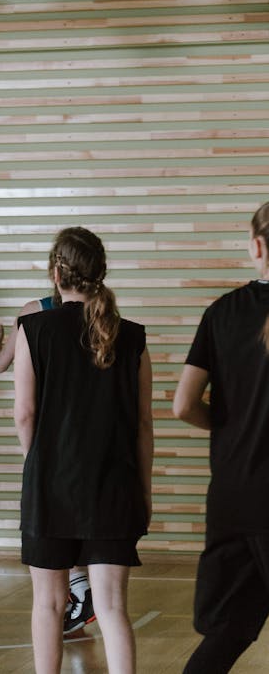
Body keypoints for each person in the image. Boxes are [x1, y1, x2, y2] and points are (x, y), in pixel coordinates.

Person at [14, 227, 153, 674]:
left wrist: (39, 467)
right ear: (101, 274)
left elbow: (24, 415)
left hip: (50, 486)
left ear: (56, 273)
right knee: (111, 607)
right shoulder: (132, 337)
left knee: (49, 605)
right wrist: (144, 492)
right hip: (114, 486)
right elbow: (143, 426)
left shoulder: (32, 329)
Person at [173, 202, 269, 673]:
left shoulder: (221, 312)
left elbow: (182, 404)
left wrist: (230, 426)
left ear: (256, 246)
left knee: (227, 633)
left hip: (232, 497)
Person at [0, 289, 95, 636]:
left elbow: (0, 364)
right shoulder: (98, 312)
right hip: (85, 430)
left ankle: (77, 595)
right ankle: (80, 594)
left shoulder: (32, 312)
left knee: (50, 531)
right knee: (75, 519)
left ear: (55, 273)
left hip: (45, 433)